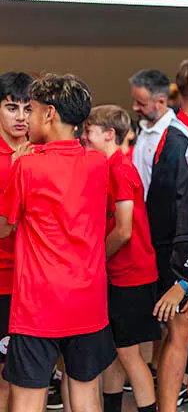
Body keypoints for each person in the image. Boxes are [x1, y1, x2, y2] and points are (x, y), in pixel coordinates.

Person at [0, 73, 116, 412]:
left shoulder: (27, 166)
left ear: (50, 114)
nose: (26, 119)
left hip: (38, 304)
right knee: (83, 392)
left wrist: (20, 162)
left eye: (32, 110)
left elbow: (7, 226)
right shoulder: (99, 163)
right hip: (88, 299)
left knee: (27, 396)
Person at [84, 105, 160, 412]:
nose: (84, 137)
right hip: (121, 274)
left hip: (131, 275)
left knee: (130, 355)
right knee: (116, 352)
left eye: (89, 131)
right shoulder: (111, 167)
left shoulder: (119, 169)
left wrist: (96, 257)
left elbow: (124, 230)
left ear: (108, 134)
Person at [150, 58, 188, 412]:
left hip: (179, 254)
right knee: (179, 336)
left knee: (181, 338)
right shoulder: (180, 144)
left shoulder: (182, 136)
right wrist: (186, 279)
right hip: (178, 257)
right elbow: (176, 215)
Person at [0, 72, 33, 412]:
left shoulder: (41, 153)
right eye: (12, 107)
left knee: (25, 380)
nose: (21, 117)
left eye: (27, 108)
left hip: (35, 285)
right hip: (3, 280)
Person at [129, 69, 174, 198]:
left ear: (161, 102)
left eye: (141, 104)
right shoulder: (141, 127)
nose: (134, 108)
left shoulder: (173, 136)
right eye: (134, 101)